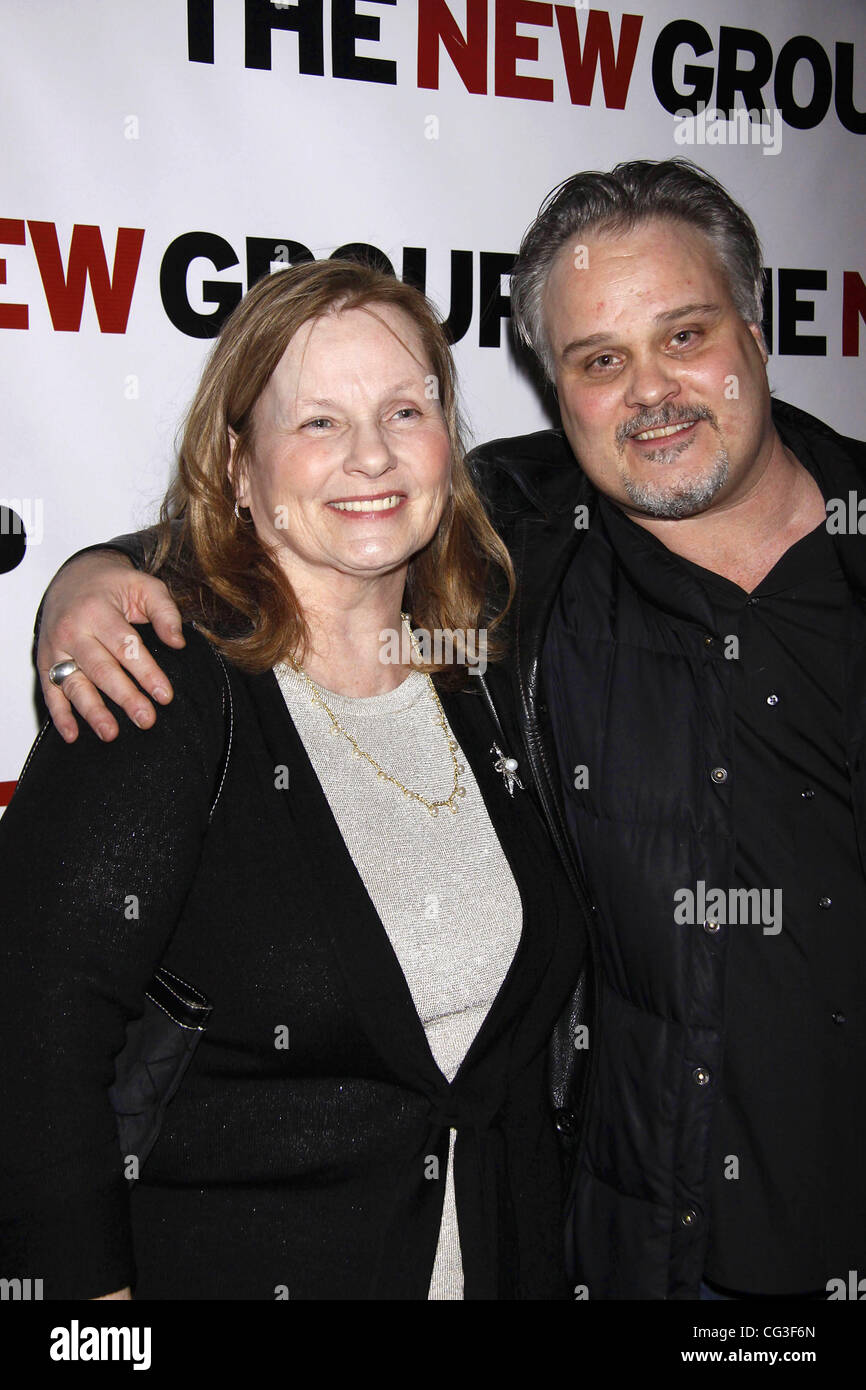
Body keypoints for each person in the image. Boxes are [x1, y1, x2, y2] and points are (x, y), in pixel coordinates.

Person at [35, 159, 866, 1303]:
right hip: (618, 1260)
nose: (650, 392)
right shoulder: (533, 564)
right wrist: (87, 580)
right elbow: (36, 1032)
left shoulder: (471, 640)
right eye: (597, 360)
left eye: (684, 334)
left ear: (756, 324)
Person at [0, 258, 590, 1301]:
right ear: (238, 465)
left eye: (404, 409)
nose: (370, 454)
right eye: (316, 422)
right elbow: (33, 1038)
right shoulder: (157, 683)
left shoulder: (489, 663)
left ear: (447, 443)